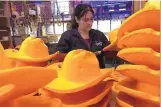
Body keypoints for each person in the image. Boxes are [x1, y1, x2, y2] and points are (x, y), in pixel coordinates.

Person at [55, 4, 110, 68]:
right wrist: (78, 57)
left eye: (91, 19)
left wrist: (116, 46)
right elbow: (57, 57)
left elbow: (109, 53)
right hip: (76, 75)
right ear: (77, 19)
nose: (90, 23)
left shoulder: (99, 35)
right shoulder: (67, 36)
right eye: (86, 20)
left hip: (98, 74)